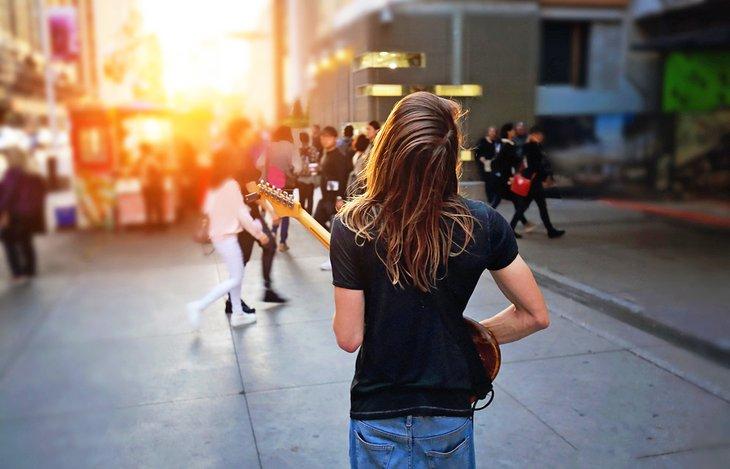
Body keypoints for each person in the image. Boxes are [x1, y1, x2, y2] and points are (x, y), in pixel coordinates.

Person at [330, 92, 550, 468]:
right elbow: (535, 315)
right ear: (450, 156)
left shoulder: (352, 225)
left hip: (379, 409)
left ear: (387, 149)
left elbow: (348, 338)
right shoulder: (484, 223)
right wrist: (465, 334)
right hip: (449, 408)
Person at [187, 152, 269, 329]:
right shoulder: (230, 184)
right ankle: (199, 306)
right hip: (228, 238)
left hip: (218, 237)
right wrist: (259, 234)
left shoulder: (213, 186)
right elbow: (241, 214)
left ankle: (238, 314)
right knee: (235, 278)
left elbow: (209, 209)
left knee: (235, 276)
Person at [221, 118, 287, 309]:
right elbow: (251, 191)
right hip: (246, 213)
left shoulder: (231, 152)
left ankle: (254, 294)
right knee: (252, 253)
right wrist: (272, 211)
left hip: (239, 211)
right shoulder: (240, 155)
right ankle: (235, 300)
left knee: (248, 255)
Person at [509, 126, 566, 238]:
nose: (542, 137)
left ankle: (550, 230)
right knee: (535, 207)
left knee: (529, 207)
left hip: (530, 181)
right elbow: (536, 165)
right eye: (540, 134)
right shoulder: (533, 147)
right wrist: (545, 177)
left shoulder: (527, 146)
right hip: (534, 182)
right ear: (536, 134)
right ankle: (550, 231)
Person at [0, 147, 45, 285]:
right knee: (26, 242)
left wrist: (2, 210)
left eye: (6, 158)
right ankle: (30, 270)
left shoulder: (11, 173)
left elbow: (8, 195)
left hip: (14, 214)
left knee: (9, 243)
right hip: (30, 214)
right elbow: (42, 193)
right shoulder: (33, 173)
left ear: (11, 158)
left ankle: (17, 273)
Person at [258, 125, 301, 253]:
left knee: (275, 212)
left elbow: (259, 163)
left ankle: (273, 234)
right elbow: (297, 167)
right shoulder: (290, 147)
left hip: (271, 184)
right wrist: (289, 170)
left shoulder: (269, 146)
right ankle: (282, 242)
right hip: (286, 185)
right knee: (286, 213)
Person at [491, 122, 534, 237]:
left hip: (503, 180)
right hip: (506, 181)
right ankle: (511, 228)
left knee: (506, 202)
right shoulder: (508, 145)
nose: (515, 132)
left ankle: (523, 224)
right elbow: (511, 161)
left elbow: (499, 162)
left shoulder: (501, 144)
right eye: (513, 130)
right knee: (519, 204)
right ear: (509, 132)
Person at [313, 126, 351, 230]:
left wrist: (339, 197)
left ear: (335, 138)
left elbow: (342, 177)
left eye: (327, 137)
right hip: (326, 197)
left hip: (333, 198)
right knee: (317, 222)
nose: (324, 140)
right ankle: (329, 240)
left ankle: (330, 241)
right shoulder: (327, 154)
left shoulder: (338, 156)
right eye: (322, 138)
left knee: (332, 226)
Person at [139, 142, 165, 229]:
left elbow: (156, 171)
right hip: (150, 185)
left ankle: (152, 225)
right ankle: (159, 224)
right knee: (155, 205)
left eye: (141, 150)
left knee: (150, 206)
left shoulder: (149, 159)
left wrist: (151, 181)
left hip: (150, 185)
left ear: (144, 150)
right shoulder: (148, 159)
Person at [474, 126, 500, 205]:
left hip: (494, 164)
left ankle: (495, 197)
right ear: (488, 132)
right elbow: (477, 152)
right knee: (488, 181)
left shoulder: (496, 142)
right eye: (491, 131)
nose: (493, 133)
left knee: (494, 180)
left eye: (494, 131)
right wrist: (480, 158)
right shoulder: (483, 141)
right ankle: (490, 198)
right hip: (485, 164)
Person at [296, 131, 320, 214]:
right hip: (311, 179)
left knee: (301, 199)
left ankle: (303, 217)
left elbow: (295, 165)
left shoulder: (298, 150)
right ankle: (309, 217)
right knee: (310, 198)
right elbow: (315, 163)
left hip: (301, 179)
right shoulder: (313, 149)